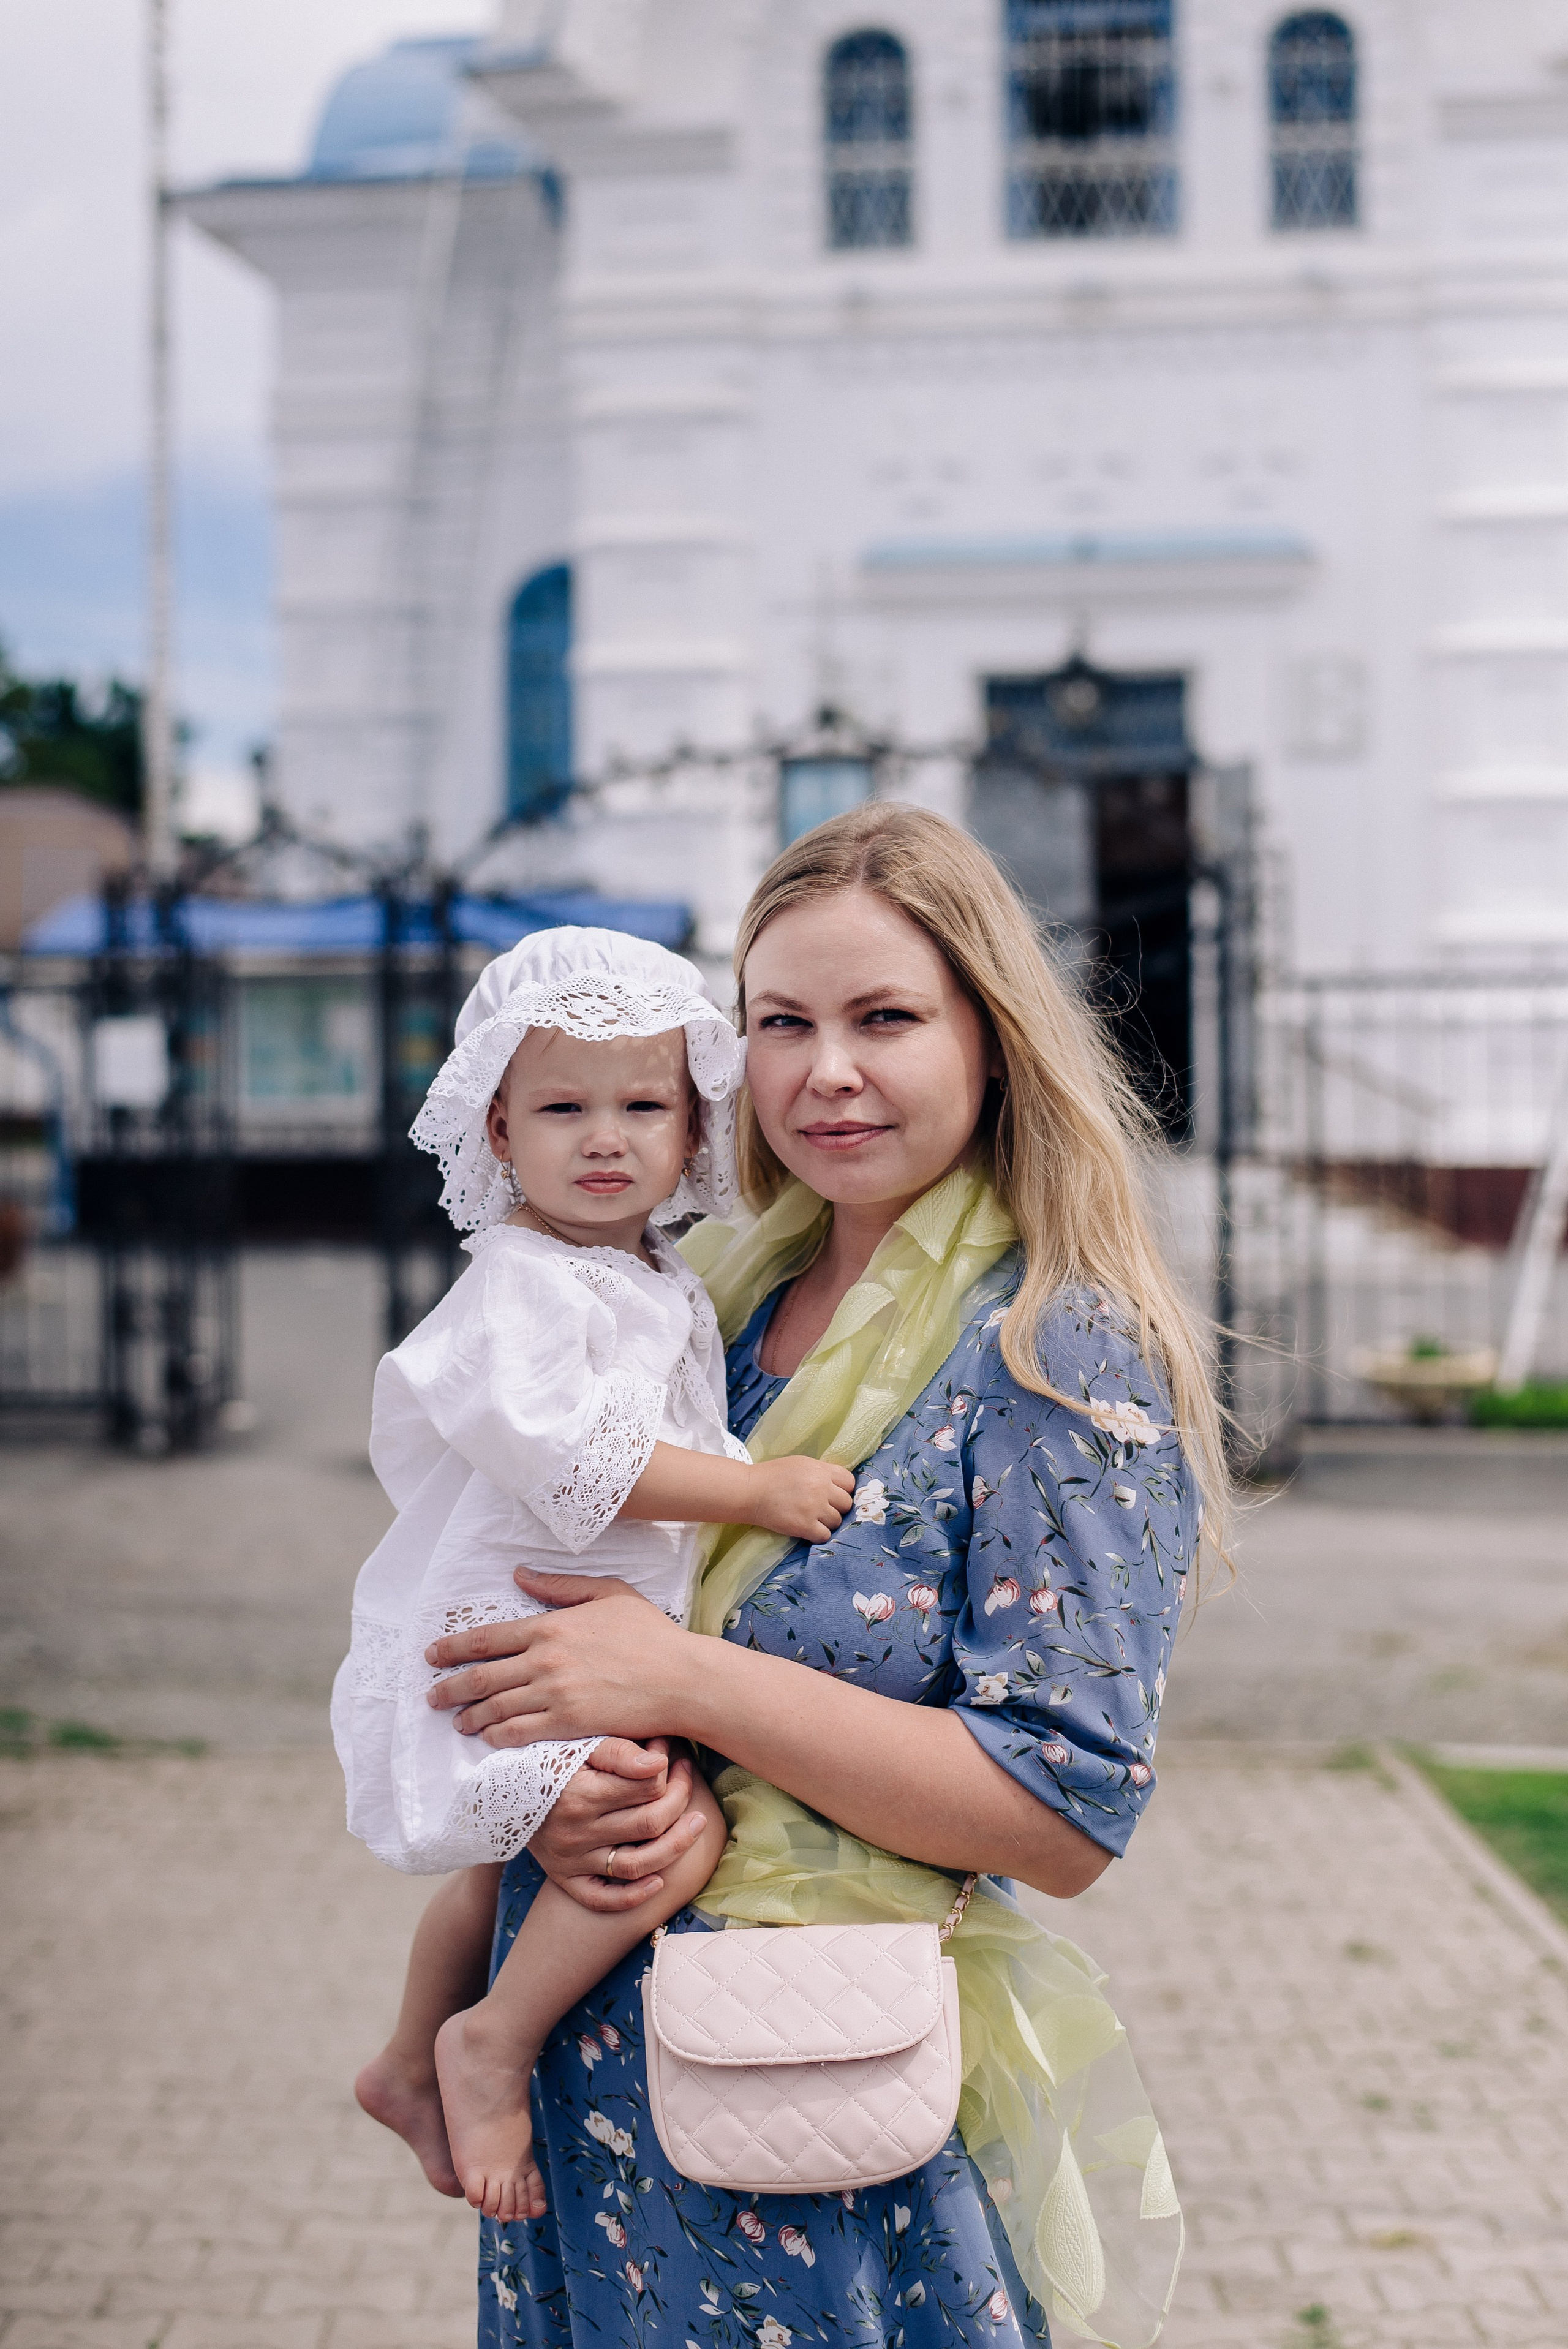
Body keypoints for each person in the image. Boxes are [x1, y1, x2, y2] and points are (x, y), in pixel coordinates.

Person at [423, 805, 1231, 2349]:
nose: (823, 1070)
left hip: (808, 2120)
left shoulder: (1053, 1351)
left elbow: (1063, 1816)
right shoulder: (697, 1301)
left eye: (884, 1017)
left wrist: (685, 1681)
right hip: (585, 2087)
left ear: (990, 1038)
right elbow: (530, 1600)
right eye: (778, 1022)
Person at [333, 928, 855, 2224]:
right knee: (655, 1840)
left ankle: (406, 2060)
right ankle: (489, 2040)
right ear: (498, 1130)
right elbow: (579, 1456)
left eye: (644, 1105)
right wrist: (752, 1492)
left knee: (496, 1866)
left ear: (693, 1130)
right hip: (518, 1617)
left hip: (574, 1616)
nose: (605, 1136)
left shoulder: (650, 1274)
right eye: (563, 1107)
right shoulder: (525, 1279)